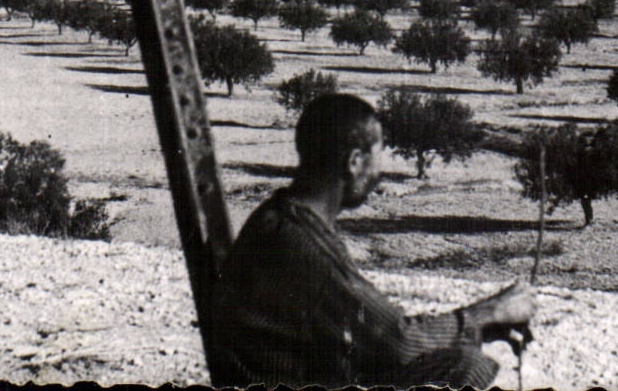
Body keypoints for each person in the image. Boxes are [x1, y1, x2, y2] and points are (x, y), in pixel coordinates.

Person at [209, 93, 535, 388]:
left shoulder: (283, 219)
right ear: (354, 162)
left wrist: (472, 330)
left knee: (461, 363)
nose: (381, 169)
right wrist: (486, 312)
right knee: (464, 369)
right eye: (380, 153)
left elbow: (369, 335)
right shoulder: (300, 244)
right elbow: (398, 341)